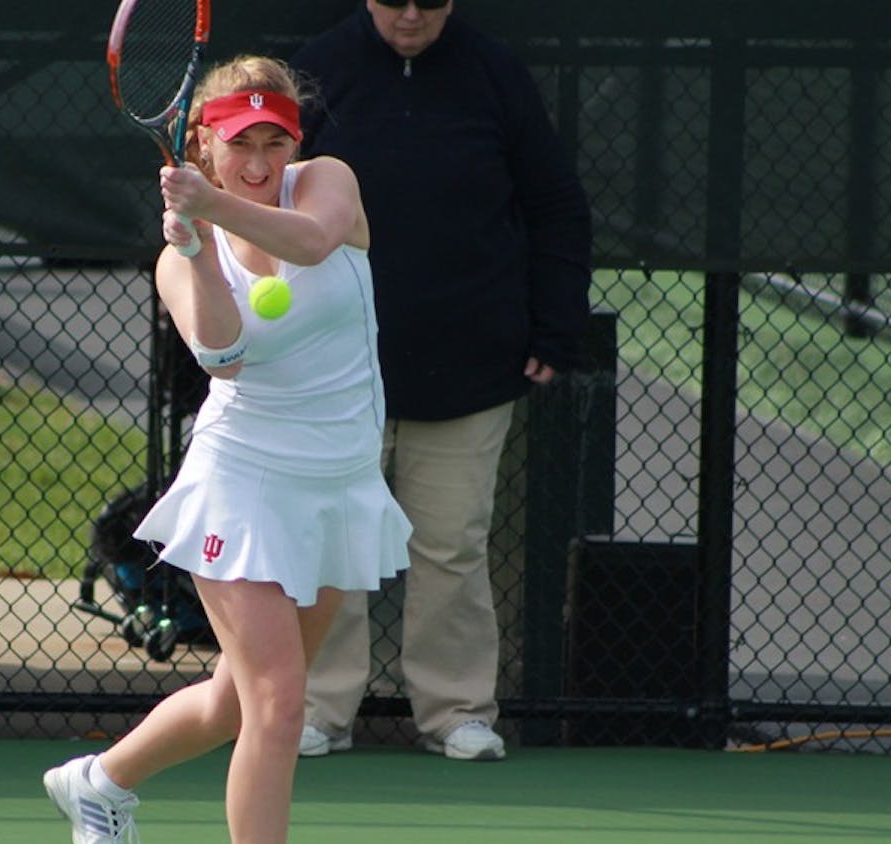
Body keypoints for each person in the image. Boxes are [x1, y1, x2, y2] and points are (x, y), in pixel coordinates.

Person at [44, 54, 411, 844]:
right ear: (203, 143)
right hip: (241, 482)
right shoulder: (180, 253)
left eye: (274, 143)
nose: (258, 164)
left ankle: (99, 782)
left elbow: (314, 244)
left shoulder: (326, 185)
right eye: (239, 144)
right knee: (280, 704)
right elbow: (223, 355)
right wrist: (198, 250)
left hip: (339, 481)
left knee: (237, 699)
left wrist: (213, 206)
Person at [288, 1, 593, 762]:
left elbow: (555, 205)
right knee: (331, 544)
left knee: (453, 543)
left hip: (469, 360)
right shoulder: (318, 69)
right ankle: (317, 711)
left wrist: (556, 326)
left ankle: (456, 711)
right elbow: (269, 201)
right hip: (336, 370)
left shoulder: (496, 73)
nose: (412, 13)